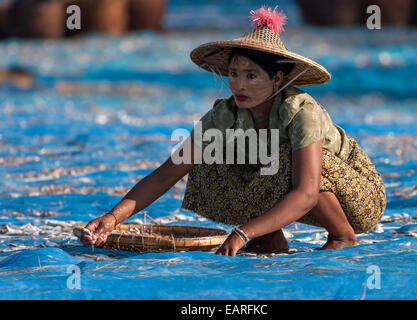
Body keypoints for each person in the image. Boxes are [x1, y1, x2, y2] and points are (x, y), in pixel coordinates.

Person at [80, 6, 386, 256]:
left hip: (359, 198)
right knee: (212, 157)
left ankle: (342, 236)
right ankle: (271, 238)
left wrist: (243, 232)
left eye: (252, 75)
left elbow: (306, 193)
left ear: (277, 79)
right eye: (234, 74)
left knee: (286, 158)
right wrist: (112, 219)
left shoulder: (302, 112)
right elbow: (166, 174)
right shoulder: (225, 115)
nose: (239, 85)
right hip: (296, 190)